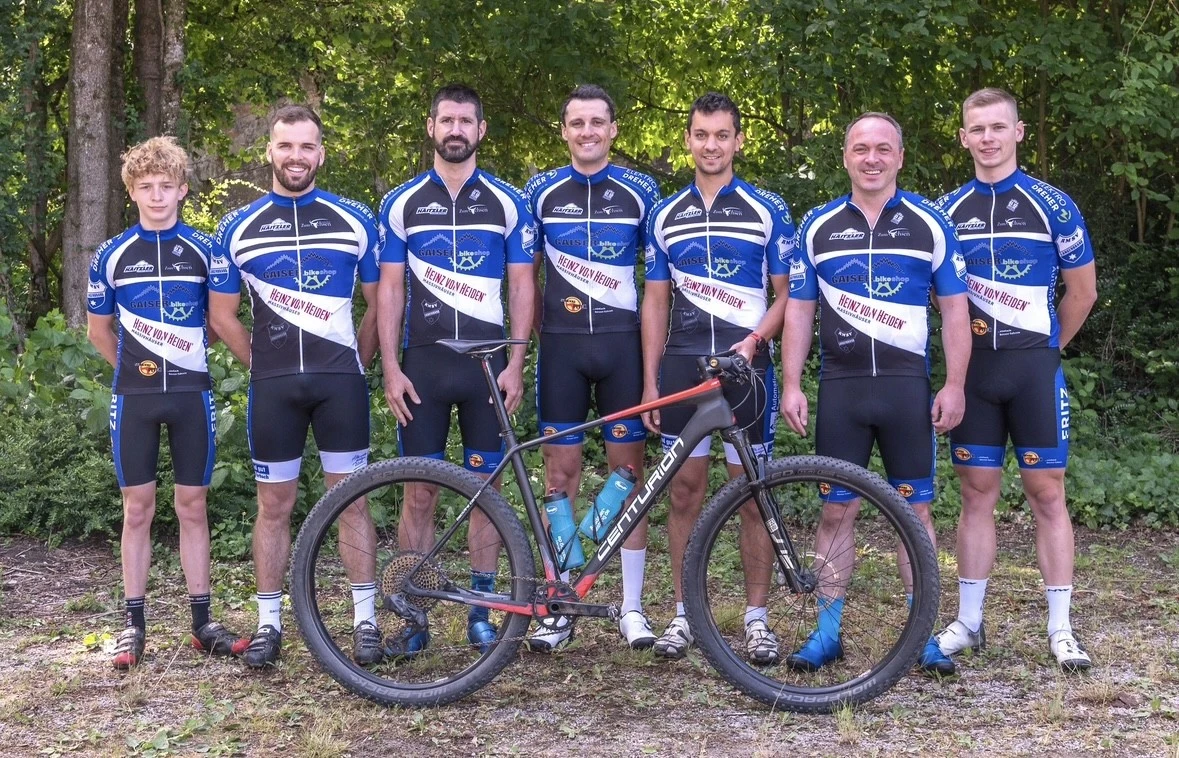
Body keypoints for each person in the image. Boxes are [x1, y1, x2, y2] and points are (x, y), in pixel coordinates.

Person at [779, 112, 972, 676]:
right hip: (842, 390)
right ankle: (827, 632)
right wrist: (791, 382)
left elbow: (956, 311)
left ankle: (924, 633)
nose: (871, 158)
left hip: (907, 391)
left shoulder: (929, 224)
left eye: (882, 148)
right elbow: (798, 310)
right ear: (845, 157)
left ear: (900, 157)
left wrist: (955, 384)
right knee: (836, 513)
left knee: (917, 513)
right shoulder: (817, 226)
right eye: (861, 148)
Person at [209, 105, 382, 669]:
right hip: (273, 388)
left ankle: (365, 622)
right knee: (273, 503)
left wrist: (359, 360)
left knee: (350, 500)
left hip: (341, 386)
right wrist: (261, 362)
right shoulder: (238, 227)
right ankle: (268, 624)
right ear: (270, 152)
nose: (296, 157)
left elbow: (381, 303)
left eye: (307, 147)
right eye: (286, 146)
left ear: (321, 154)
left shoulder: (355, 219)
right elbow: (222, 314)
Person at [933, 88, 1098, 672]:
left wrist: (1050, 350)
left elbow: (1083, 291)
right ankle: (969, 622)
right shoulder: (946, 211)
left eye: (997, 127)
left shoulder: (1053, 204)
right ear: (963, 138)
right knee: (976, 494)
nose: (987, 138)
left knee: (1047, 494)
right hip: (974, 374)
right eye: (976, 129)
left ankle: (1061, 628)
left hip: (1033, 369)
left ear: (1019, 131)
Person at [376, 84, 534, 656]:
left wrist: (518, 362)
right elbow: (390, 291)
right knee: (419, 492)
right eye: (447, 119)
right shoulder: (401, 203)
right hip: (423, 366)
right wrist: (390, 367)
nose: (456, 129)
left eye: (466, 120)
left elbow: (522, 283)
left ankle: (481, 610)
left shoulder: (506, 203)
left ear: (481, 130)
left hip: (489, 370)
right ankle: (412, 614)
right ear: (431, 126)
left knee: (486, 489)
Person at [641, 92, 793, 662]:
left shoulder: (766, 208)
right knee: (683, 492)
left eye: (722, 135)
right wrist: (653, 380)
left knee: (753, 495)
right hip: (682, 366)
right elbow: (654, 302)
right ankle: (682, 613)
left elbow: (788, 295)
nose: (711, 145)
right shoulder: (665, 214)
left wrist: (755, 342)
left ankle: (756, 617)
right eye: (701, 135)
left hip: (745, 371)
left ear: (738, 141)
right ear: (687, 140)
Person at [87, 136, 246, 669]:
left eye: (166, 186)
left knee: (192, 505)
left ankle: (202, 622)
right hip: (134, 396)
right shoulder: (112, 255)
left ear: (182, 190)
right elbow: (98, 330)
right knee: (137, 509)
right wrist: (135, 367)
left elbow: (221, 322)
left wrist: (188, 355)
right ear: (132, 192)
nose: (157, 196)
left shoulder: (205, 251)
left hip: (190, 394)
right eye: (146, 187)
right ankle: (133, 625)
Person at [521, 84, 662, 652]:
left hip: (621, 349)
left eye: (597, 123)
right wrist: (524, 344)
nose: (587, 132)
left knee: (629, 478)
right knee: (560, 479)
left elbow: (657, 285)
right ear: (563, 131)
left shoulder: (641, 191)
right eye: (576, 123)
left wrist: (652, 369)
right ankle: (563, 601)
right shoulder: (540, 192)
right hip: (560, 350)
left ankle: (630, 606)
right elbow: (523, 274)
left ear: (613, 130)